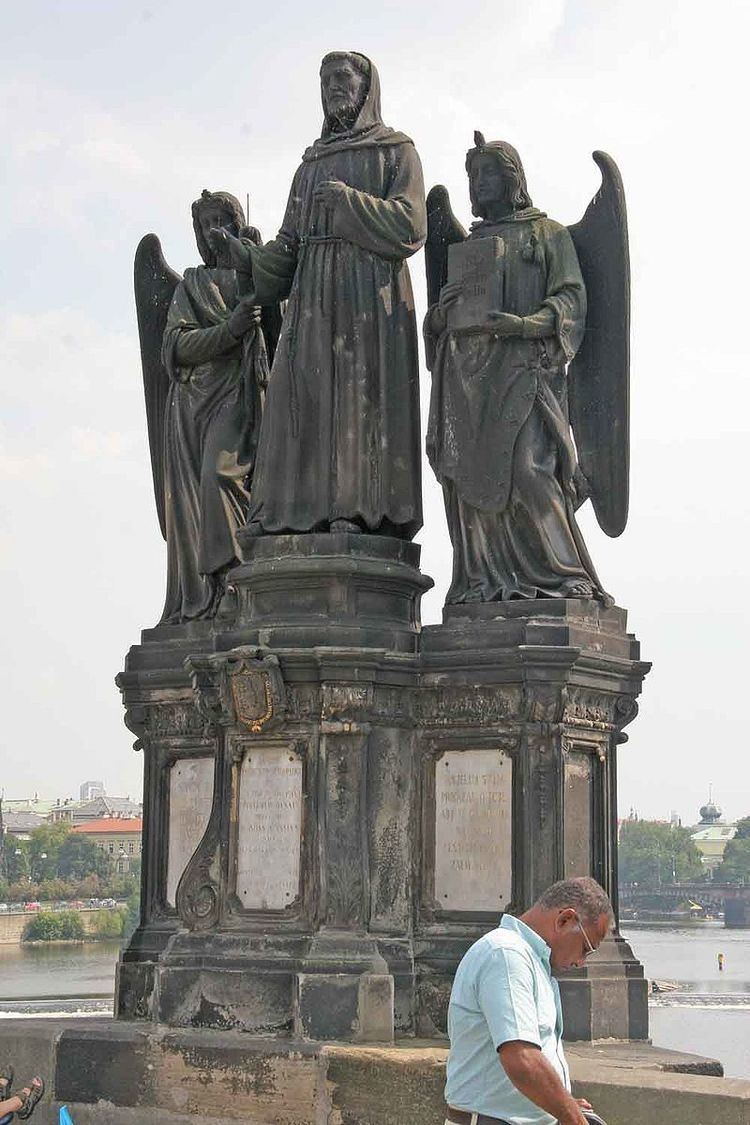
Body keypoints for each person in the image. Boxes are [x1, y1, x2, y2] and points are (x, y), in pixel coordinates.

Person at [212, 51, 426, 539]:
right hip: (311, 301)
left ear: (366, 86)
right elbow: (288, 244)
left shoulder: (395, 151)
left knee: (356, 402)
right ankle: (291, 514)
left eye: (342, 76)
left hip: (369, 301)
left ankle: (355, 510)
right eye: (325, 78)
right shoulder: (309, 164)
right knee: (298, 397)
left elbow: (412, 226)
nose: (333, 85)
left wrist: (349, 204)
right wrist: (250, 261)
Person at [425, 138, 607, 603]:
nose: (479, 184)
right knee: (467, 481)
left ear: (513, 179)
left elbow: (571, 300)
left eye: (488, 174)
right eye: (473, 177)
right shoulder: (472, 245)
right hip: (466, 381)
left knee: (530, 469)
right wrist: (440, 317)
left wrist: (523, 325)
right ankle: (483, 581)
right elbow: (438, 329)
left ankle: (563, 576)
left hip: (524, 373)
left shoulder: (548, 234)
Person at [444, 877, 613, 1125]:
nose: (581, 962)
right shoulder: (507, 954)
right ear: (565, 920)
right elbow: (521, 1059)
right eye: (586, 948)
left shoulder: (531, 960)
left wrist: (557, 1104)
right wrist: (573, 1118)